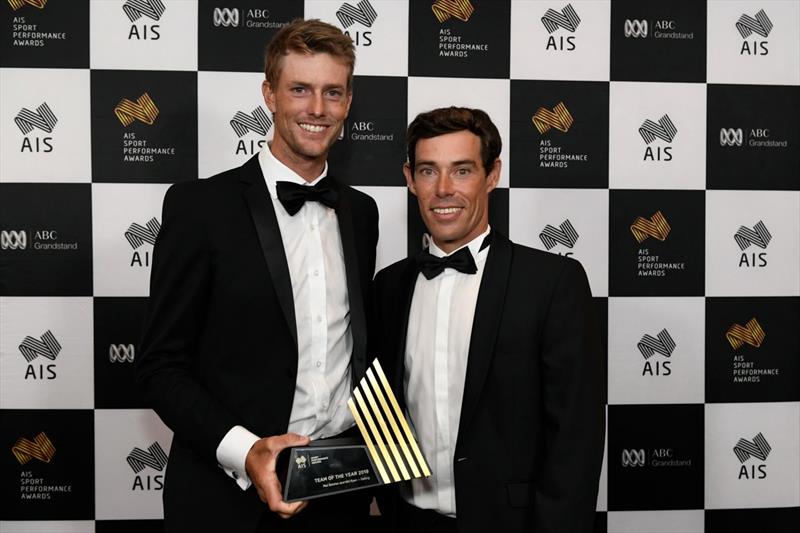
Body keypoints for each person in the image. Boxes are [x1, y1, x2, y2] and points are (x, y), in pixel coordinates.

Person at [136, 19, 378, 533]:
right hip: (225, 501)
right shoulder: (200, 207)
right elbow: (160, 367)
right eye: (300, 89)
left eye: (333, 92)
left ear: (349, 103)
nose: (317, 109)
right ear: (269, 95)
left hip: (339, 496)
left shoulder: (362, 213)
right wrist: (248, 454)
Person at [373, 107, 604, 532]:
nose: (443, 189)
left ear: (492, 174)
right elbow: (380, 407)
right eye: (428, 171)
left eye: (462, 171)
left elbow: (575, 439)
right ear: (410, 179)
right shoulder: (387, 287)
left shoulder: (552, 283)